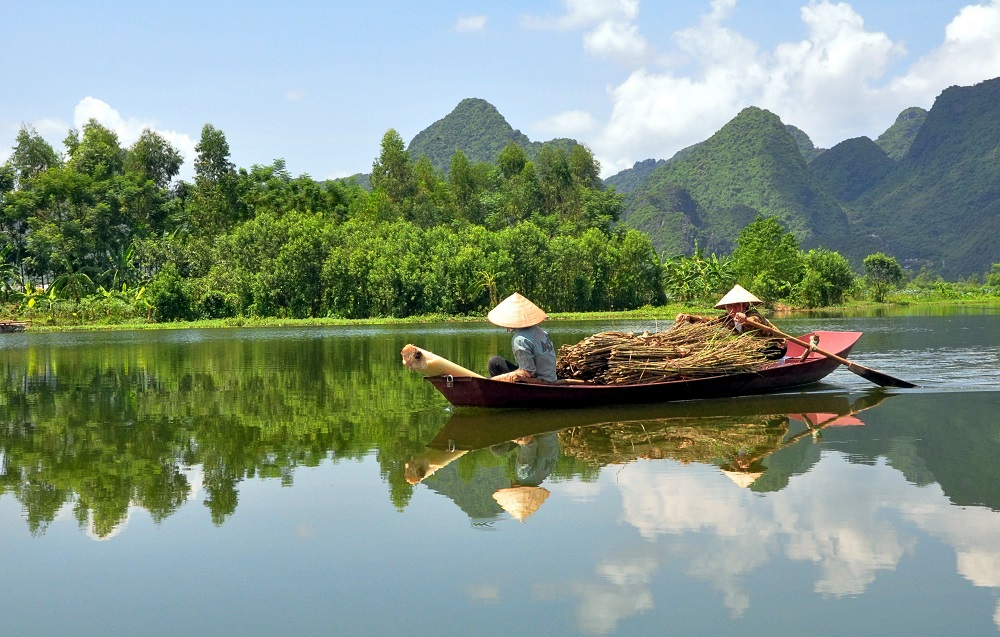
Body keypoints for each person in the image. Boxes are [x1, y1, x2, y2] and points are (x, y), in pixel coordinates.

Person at [675, 284, 787, 359]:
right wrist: (688, 317)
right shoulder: (727, 318)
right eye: (729, 305)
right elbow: (708, 321)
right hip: (753, 349)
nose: (733, 308)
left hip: (775, 347)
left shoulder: (753, 314)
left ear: (744, 305)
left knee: (743, 351)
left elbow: (754, 321)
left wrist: (745, 320)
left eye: (737, 305)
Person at [486, 292, 558, 383]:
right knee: (495, 362)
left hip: (539, 381)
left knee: (493, 364)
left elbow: (528, 372)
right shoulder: (539, 331)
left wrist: (498, 378)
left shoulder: (520, 339)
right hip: (551, 378)